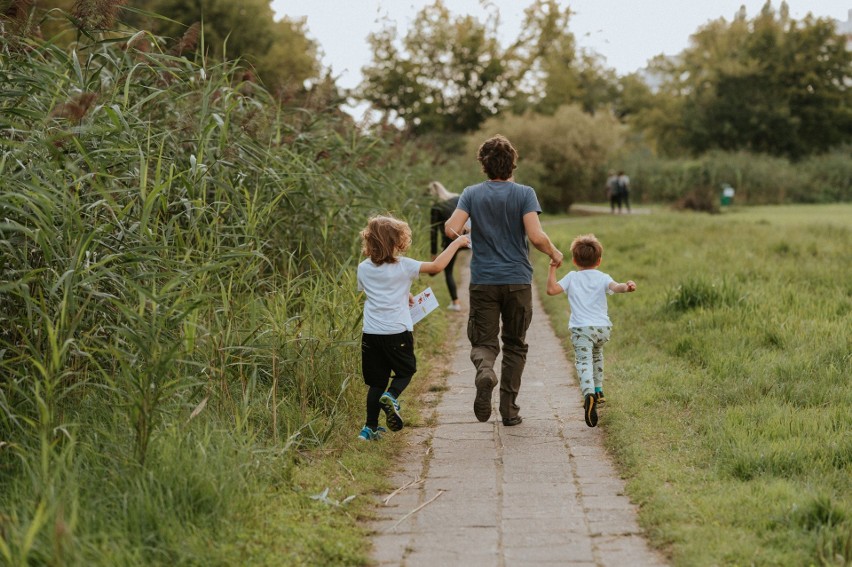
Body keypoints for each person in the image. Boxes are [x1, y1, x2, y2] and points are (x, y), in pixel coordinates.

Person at [444, 134, 563, 426]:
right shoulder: (525, 194)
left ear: (483, 165)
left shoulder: (471, 193)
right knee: (515, 344)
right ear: (512, 164)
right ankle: (509, 412)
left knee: (483, 342)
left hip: (483, 279)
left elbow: (451, 228)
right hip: (517, 281)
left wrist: (472, 235)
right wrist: (554, 251)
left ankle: (485, 370)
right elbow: (535, 236)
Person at [357, 214, 470, 441]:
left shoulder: (363, 268)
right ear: (396, 242)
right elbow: (437, 266)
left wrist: (404, 292)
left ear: (369, 241)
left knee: (376, 382)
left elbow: (376, 291)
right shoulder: (404, 266)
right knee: (406, 371)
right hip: (397, 331)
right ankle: (392, 396)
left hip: (371, 334)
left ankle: (369, 429)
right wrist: (456, 243)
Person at [545, 233, 636, 428]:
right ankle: (599, 389)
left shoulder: (571, 277)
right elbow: (616, 287)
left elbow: (551, 290)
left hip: (581, 330)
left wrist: (552, 268)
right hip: (602, 329)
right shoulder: (603, 277)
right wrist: (626, 287)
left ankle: (589, 395)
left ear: (575, 260)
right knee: (597, 355)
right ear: (599, 260)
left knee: (583, 361)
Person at [429, 181, 463, 312]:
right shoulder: (458, 198)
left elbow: (433, 232)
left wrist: (433, 254)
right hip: (468, 238)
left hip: (451, 242)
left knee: (448, 271)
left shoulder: (436, 207)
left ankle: (456, 302)